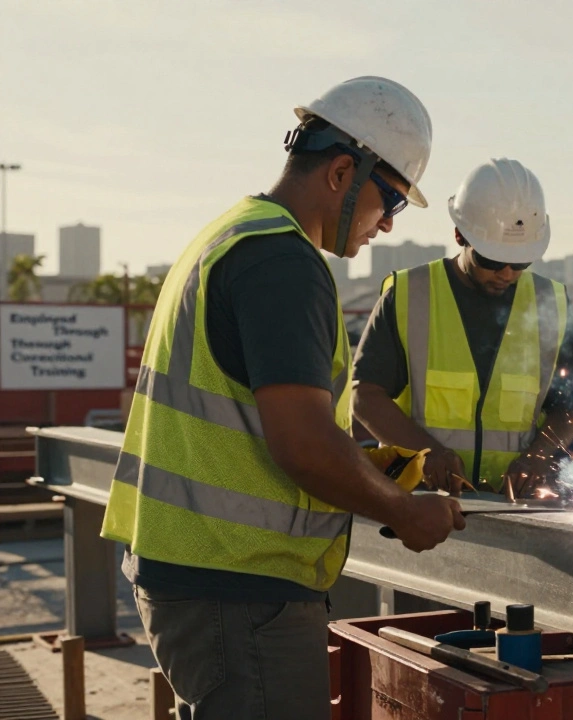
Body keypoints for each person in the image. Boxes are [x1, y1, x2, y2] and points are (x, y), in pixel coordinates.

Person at [100, 77, 466, 719]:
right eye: (391, 203)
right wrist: (405, 511)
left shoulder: (230, 236)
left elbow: (250, 423)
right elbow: (301, 443)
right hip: (240, 594)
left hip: (198, 578)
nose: (385, 225)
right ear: (343, 171)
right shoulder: (284, 262)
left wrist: (363, 467)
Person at [352, 158, 573, 499]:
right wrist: (427, 452)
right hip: (418, 501)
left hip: (512, 508)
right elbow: (365, 396)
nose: (506, 273)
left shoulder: (551, 302)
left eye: (520, 261)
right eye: (491, 259)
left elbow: (568, 410)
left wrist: (536, 457)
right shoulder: (410, 295)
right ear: (460, 234)